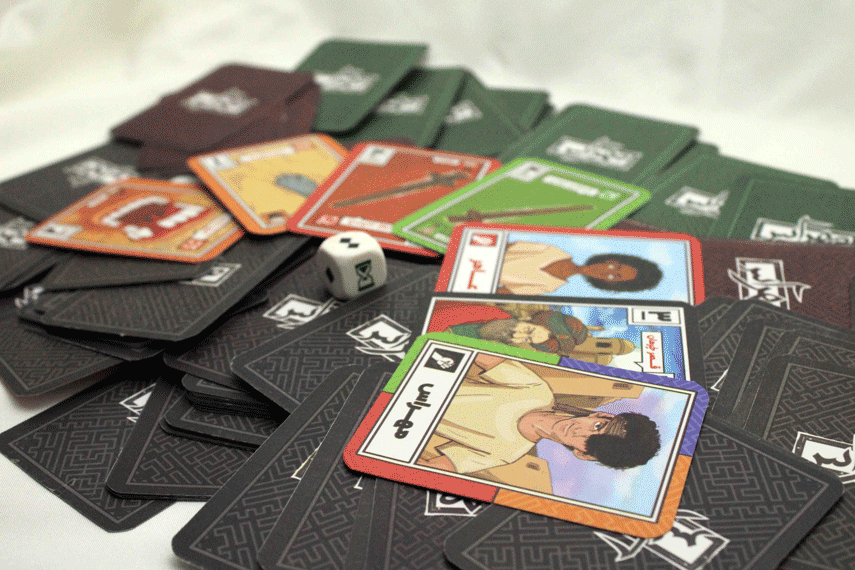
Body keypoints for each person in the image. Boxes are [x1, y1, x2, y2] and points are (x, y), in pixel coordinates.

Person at [417, 354, 661, 475]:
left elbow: (429, 468)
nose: (580, 431)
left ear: (583, 454)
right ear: (601, 416)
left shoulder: (506, 453)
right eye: (597, 427)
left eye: (590, 442)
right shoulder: (536, 390)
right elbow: (474, 353)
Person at [497, 241, 663, 295]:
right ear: (608, 259)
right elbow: (501, 245)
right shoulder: (552, 250)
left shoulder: (550, 286)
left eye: (614, 276)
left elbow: (500, 292)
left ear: (609, 284)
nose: (605, 271)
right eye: (613, 266)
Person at [426, 301, 590, 356]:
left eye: (527, 339)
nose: (517, 335)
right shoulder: (492, 314)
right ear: (527, 320)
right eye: (528, 331)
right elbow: (438, 318)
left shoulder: (495, 346)